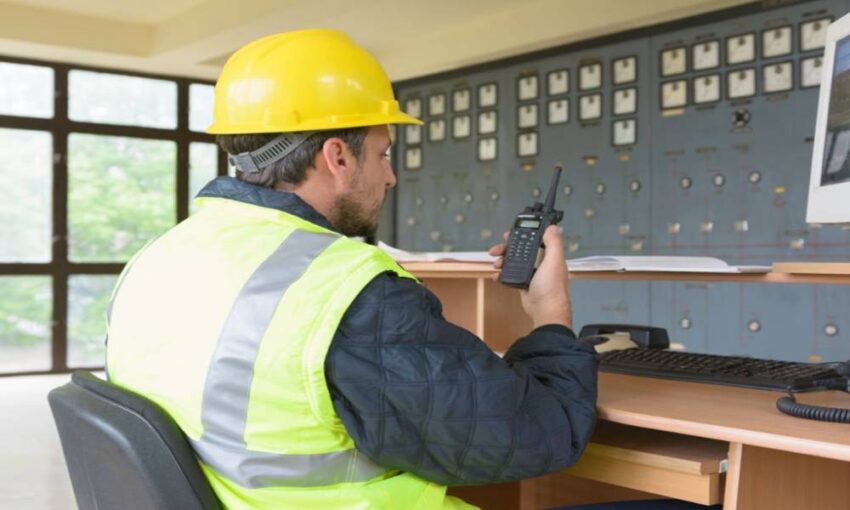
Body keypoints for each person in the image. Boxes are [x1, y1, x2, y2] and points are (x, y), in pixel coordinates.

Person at [105, 29, 598, 509]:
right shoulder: (346, 288)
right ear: (337, 156)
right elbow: (539, 434)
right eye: (383, 154)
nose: (390, 175)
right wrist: (551, 313)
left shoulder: (160, 256)